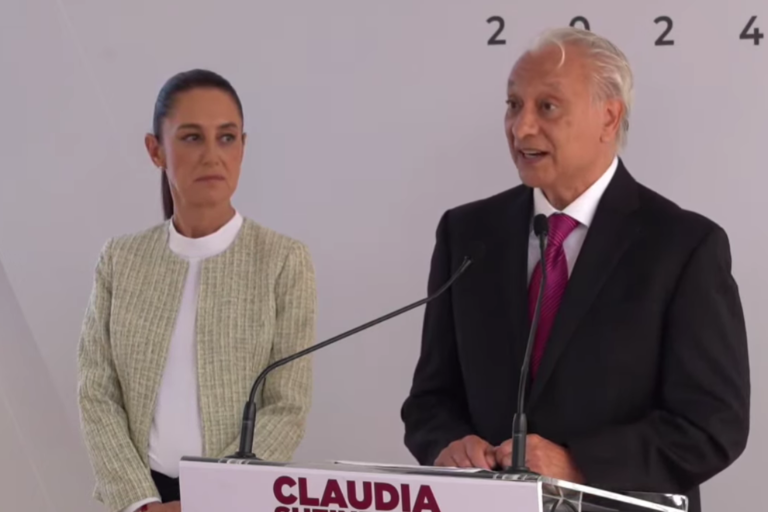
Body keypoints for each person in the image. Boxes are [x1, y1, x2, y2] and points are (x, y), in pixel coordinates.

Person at [401, 27, 750, 512]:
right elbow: (429, 400)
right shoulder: (467, 233)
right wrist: (448, 443)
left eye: (547, 107)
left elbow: (712, 426)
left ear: (609, 117)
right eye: (513, 105)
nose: (521, 128)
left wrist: (578, 465)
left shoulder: (684, 246)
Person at [77, 69, 317, 512]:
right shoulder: (120, 260)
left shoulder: (283, 261)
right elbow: (97, 392)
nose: (212, 155)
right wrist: (139, 501)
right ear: (155, 150)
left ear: (243, 146)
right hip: (138, 500)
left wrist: (208, 497)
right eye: (191, 137)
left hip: (236, 501)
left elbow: (286, 408)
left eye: (226, 138)